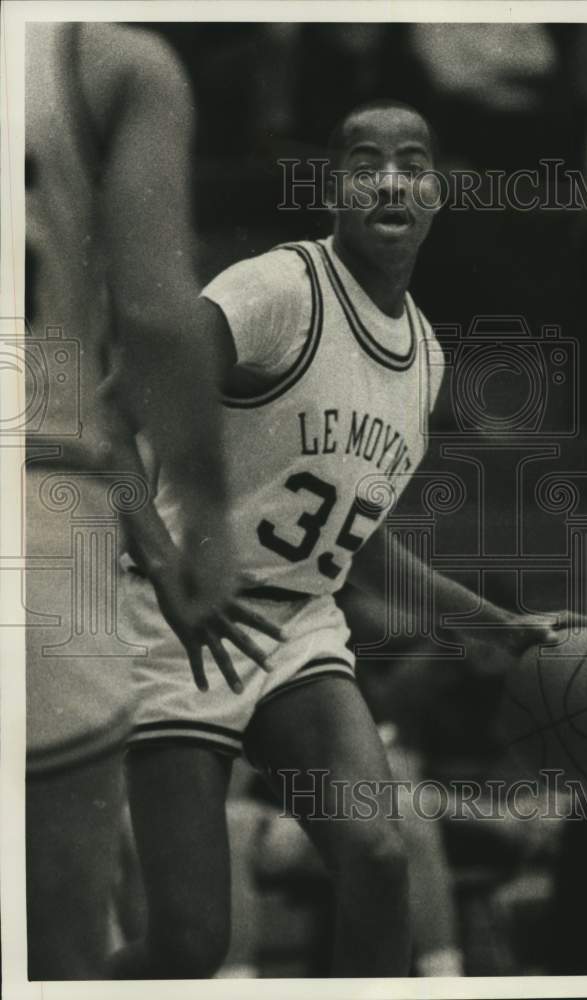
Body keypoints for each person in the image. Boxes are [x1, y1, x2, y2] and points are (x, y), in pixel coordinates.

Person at [110, 99, 587, 980]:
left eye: (413, 163)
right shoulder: (277, 289)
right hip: (173, 621)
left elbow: (363, 547)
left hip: (298, 627)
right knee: (188, 947)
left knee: (380, 856)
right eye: (365, 161)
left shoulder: (425, 357)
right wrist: (163, 564)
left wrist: (494, 624)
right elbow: (113, 410)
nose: (391, 178)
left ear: (437, 192)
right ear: (331, 187)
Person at [24, 22, 272, 979]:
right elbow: (157, 316)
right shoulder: (104, 61)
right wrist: (202, 524)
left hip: (60, 484)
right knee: (55, 961)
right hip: (38, 515)